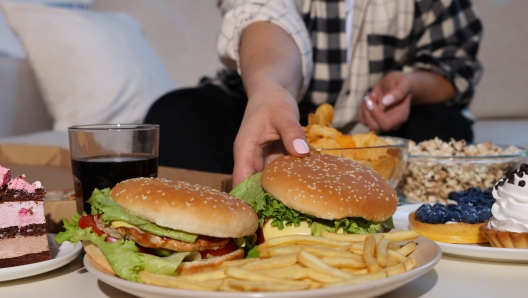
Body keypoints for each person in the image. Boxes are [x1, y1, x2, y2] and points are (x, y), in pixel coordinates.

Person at [145, 0, 483, 187]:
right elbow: (264, 15)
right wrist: (270, 88)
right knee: (177, 116)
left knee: (444, 126)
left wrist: (412, 86)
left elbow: (455, 61)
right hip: (270, 111)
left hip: (382, 131)